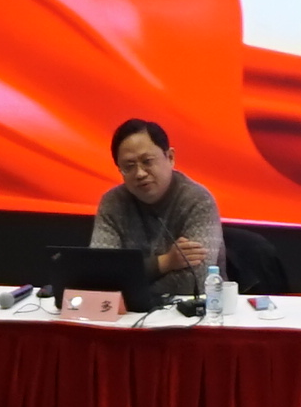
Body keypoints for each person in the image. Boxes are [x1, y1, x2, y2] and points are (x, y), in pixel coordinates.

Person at [90, 118, 226, 296]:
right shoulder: (112, 202)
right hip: (127, 311)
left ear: (170, 157)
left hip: (195, 309)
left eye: (147, 161)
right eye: (129, 167)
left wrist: (130, 293)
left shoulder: (198, 200)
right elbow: (100, 273)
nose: (139, 173)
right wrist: (164, 262)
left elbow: (193, 280)